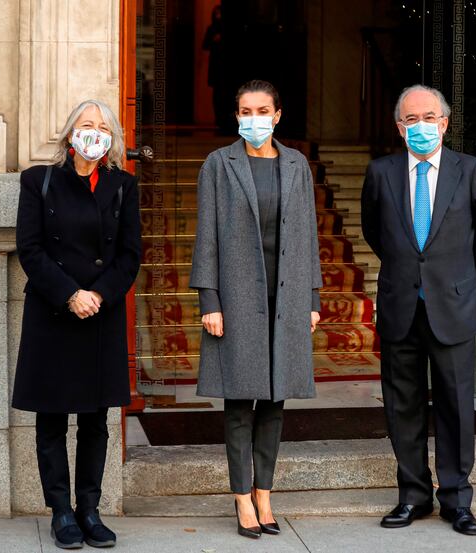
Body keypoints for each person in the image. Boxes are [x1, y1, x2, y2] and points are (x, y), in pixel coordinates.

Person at [361, 85, 476, 536]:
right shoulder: (380, 173)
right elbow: (374, 233)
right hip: (401, 304)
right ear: (399, 128)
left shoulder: (471, 170)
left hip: (452, 306)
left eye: (428, 117)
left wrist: (454, 279)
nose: (419, 126)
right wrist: (412, 274)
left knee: (457, 407)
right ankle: (413, 496)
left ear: (444, 122)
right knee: (403, 406)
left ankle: (457, 501)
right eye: (410, 120)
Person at [189, 80, 322, 539]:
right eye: (246, 110)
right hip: (237, 298)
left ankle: (266, 493)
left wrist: (311, 298)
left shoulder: (296, 164)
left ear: (278, 114)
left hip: (285, 298)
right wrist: (210, 299)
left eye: (262, 110)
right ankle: (242, 498)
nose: (254, 118)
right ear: (237, 115)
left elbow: (307, 236)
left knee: (274, 402)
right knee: (239, 403)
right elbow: (206, 235)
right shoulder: (218, 164)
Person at [12, 99, 141, 549]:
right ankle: (61, 512)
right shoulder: (38, 181)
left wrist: (99, 294)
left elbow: (130, 255)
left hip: (100, 313)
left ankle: (90, 509)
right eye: (86, 125)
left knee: (95, 420)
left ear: (112, 139)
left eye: (102, 127)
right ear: (70, 134)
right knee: (51, 420)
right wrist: (70, 294)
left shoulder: (123, 185)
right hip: (53, 309)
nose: (94, 132)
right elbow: (30, 249)